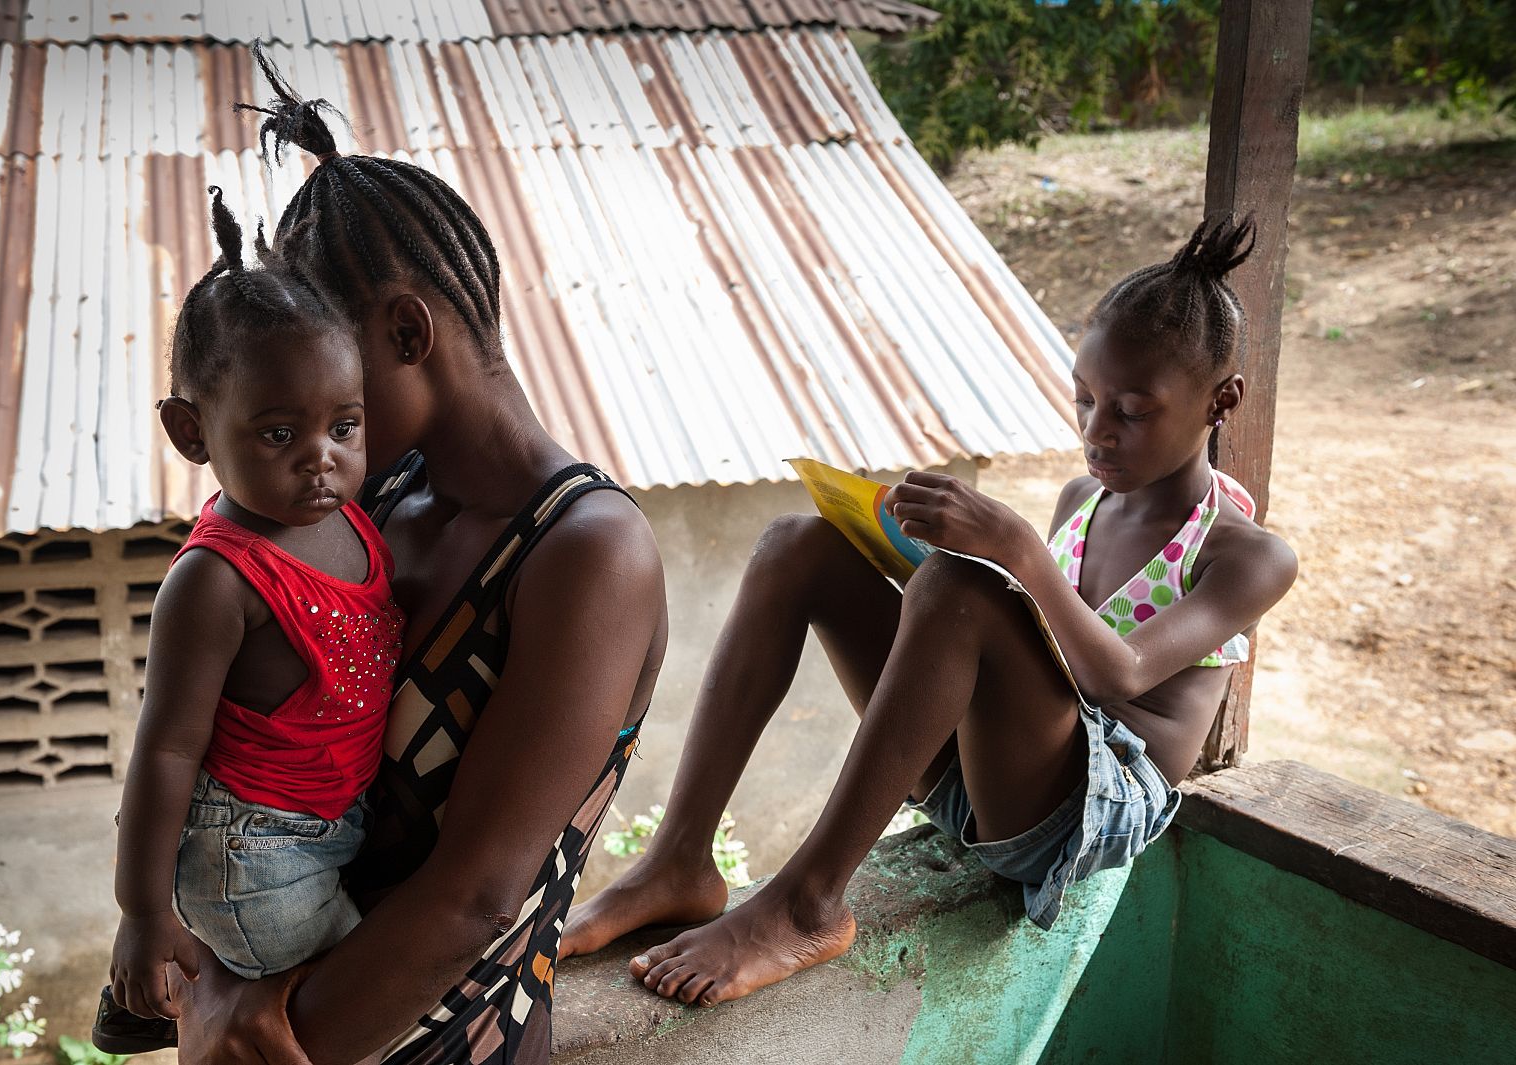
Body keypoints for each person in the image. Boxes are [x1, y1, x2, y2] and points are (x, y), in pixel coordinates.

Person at [562, 216, 1298, 1010]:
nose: (1096, 431)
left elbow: (1120, 672)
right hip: (993, 771)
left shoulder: (1246, 555)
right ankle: (678, 858)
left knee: (958, 588)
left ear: (1222, 400)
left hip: (1086, 809)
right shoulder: (1083, 498)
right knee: (794, 546)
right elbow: (1041, 648)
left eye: (1132, 410)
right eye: (1084, 398)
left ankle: (808, 903)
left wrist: (1014, 550)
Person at [168, 44, 667, 1065]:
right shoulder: (376, 501)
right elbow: (233, 755)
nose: (308, 417)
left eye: (326, 366)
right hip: (286, 999)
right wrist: (212, 969)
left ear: (405, 333)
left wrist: (256, 1039)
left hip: (439, 1041)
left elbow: (476, 897)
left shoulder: (588, 553)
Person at [94, 187, 404, 1053]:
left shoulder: (351, 516)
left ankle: (212, 991)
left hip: (332, 820)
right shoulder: (216, 581)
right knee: (375, 1003)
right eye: (277, 434)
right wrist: (141, 914)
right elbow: (165, 751)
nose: (321, 458)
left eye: (344, 425)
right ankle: (201, 997)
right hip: (253, 857)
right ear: (191, 432)